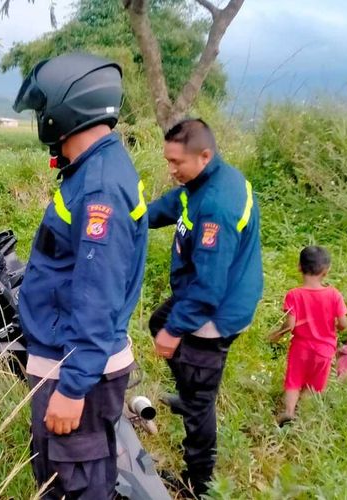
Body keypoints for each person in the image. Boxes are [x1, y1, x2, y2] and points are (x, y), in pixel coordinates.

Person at [12, 53, 149, 499]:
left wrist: (71, 389)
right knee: (74, 473)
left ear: (66, 110)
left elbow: (97, 296)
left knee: (73, 482)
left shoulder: (100, 189)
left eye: (41, 109)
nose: (40, 119)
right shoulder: (95, 169)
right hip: (73, 356)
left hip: (75, 366)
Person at [146, 118, 263, 498]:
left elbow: (208, 289)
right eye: (169, 161)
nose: (171, 169)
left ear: (205, 155)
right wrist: (131, 217)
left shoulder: (216, 207)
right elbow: (170, 206)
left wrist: (175, 331)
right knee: (157, 321)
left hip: (214, 311)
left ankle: (198, 484)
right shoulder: (204, 182)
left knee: (199, 402)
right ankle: (192, 390)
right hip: (211, 293)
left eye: (176, 162)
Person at [267, 246, 347, 426]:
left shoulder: (294, 295)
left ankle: (288, 412)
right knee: (314, 385)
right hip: (324, 350)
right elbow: (343, 324)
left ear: (299, 266)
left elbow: (290, 324)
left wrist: (276, 334)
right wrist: (337, 328)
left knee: (294, 380)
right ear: (326, 271)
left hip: (300, 348)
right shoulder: (334, 295)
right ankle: (304, 417)